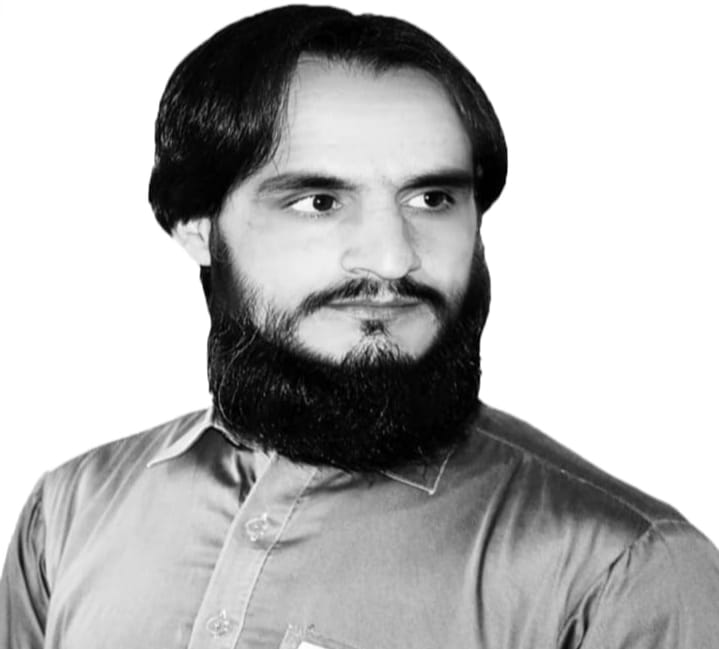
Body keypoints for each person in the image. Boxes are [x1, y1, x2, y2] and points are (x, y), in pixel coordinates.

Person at [2, 5, 718, 647]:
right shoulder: (68, 513)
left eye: (431, 198)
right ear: (197, 226)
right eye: (319, 201)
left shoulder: (623, 573)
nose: (392, 257)